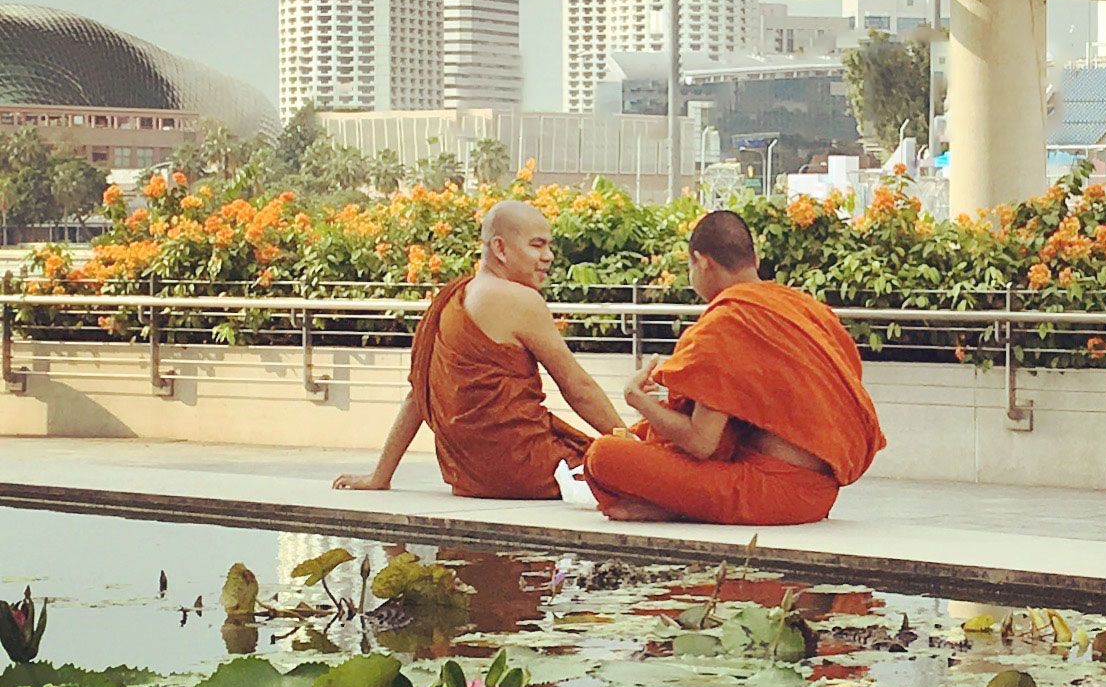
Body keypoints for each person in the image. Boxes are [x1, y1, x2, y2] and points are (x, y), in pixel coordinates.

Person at [581, 210, 885, 524]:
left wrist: (637, 399)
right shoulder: (809, 309)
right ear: (755, 258)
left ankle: (675, 509)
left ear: (701, 262)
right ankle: (673, 507)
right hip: (821, 492)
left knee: (602, 456)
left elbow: (702, 443)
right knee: (641, 434)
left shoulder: (726, 322)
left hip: (772, 491)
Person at [333, 201, 626, 498]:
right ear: (500, 248)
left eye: (550, 246)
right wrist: (629, 442)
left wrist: (380, 476)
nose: (548, 257)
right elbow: (577, 387)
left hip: (470, 478)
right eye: (537, 245)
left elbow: (416, 397)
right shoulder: (520, 299)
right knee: (628, 474)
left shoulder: (450, 298)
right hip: (528, 467)